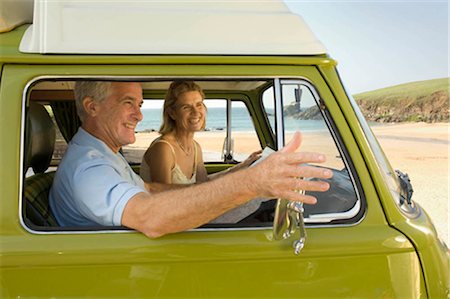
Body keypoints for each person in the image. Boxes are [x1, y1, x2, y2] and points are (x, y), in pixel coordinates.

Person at [49, 81, 333, 238]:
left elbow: (150, 190)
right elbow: (150, 215)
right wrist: (253, 182)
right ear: (92, 106)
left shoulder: (105, 154)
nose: (138, 115)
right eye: (128, 103)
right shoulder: (89, 167)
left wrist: (244, 172)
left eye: (139, 105)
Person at [140, 80, 260, 186]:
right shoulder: (163, 148)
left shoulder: (195, 147)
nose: (196, 112)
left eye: (199, 104)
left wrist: (244, 165)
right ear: (172, 113)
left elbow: (204, 184)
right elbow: (163, 200)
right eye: (186, 107)